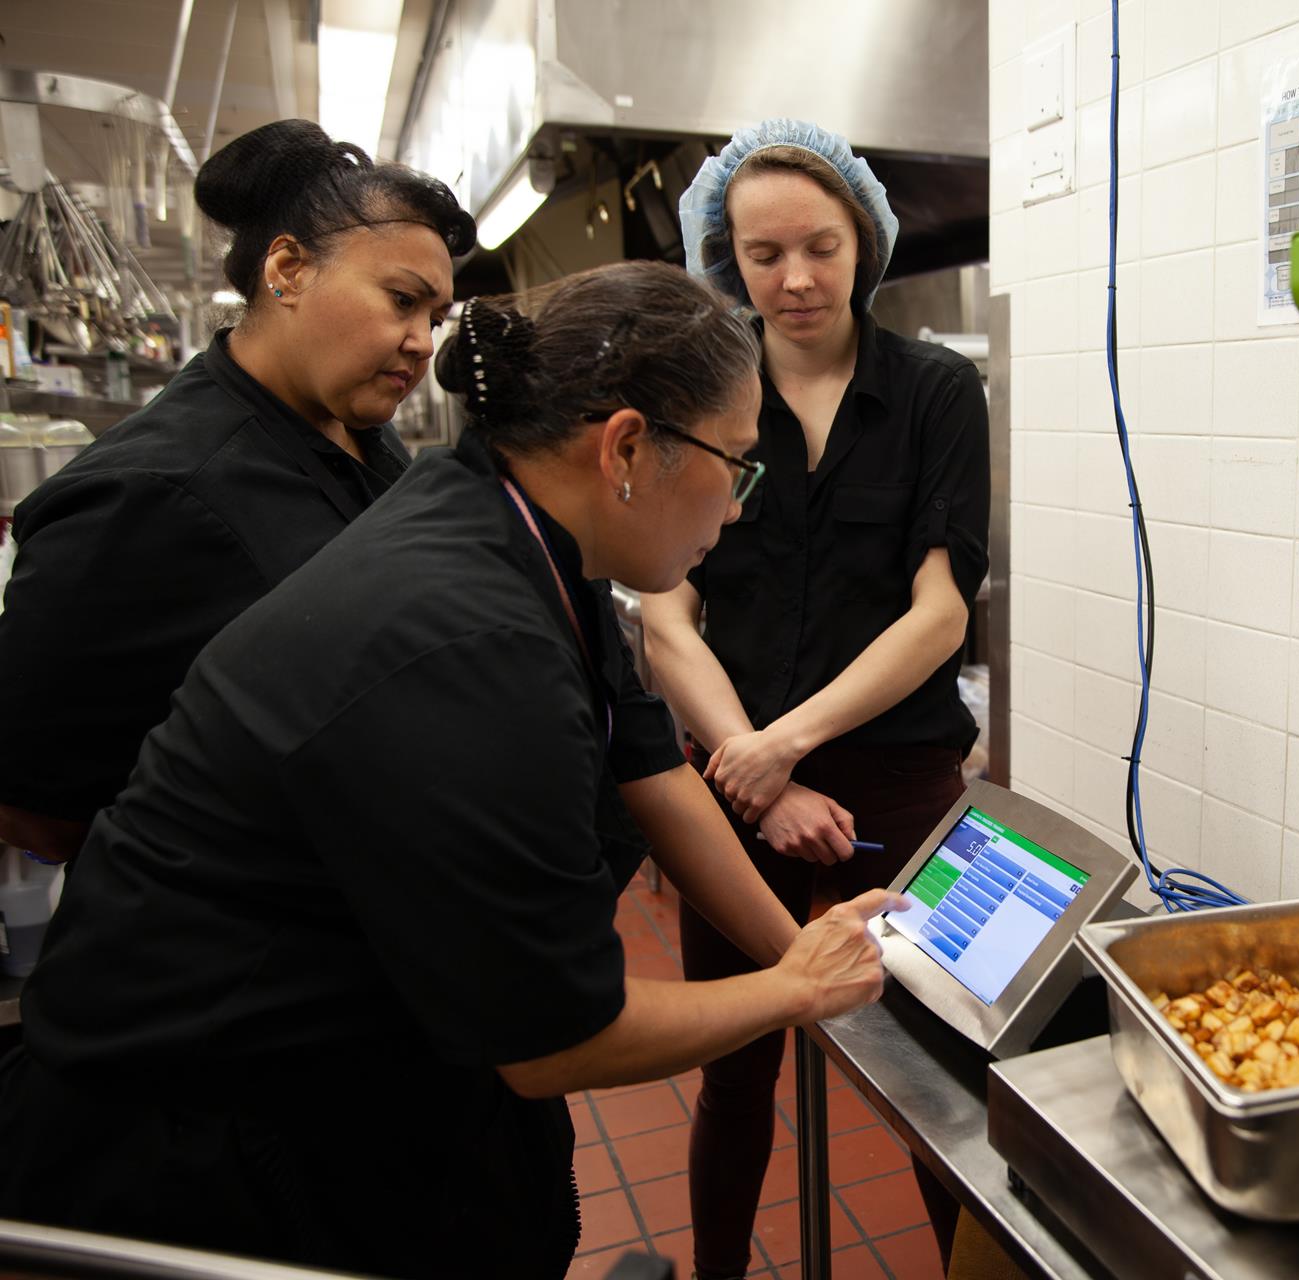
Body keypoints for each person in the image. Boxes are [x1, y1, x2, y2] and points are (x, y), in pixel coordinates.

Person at [0, 261, 900, 1279]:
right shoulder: (467, 638)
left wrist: (804, 944)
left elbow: (654, 772)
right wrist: (789, 991)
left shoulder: (523, 534)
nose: (736, 510)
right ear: (628, 448)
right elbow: (563, 1039)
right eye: (735, 464)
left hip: (352, 1081)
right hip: (207, 1149)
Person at [641, 118, 989, 1280]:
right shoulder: (698, 394)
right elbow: (665, 612)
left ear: (865, 246)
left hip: (895, 777)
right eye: (762, 252)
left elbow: (939, 614)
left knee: (944, 1067)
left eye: (820, 248)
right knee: (736, 1059)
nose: (794, 279)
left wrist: (780, 745)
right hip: (735, 790)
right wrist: (753, 767)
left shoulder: (937, 393)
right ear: (724, 256)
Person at [0, 119, 472, 861]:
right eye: (402, 301)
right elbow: (39, 811)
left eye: (435, 318)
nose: (422, 341)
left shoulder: (364, 442)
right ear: (287, 269)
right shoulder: (144, 494)